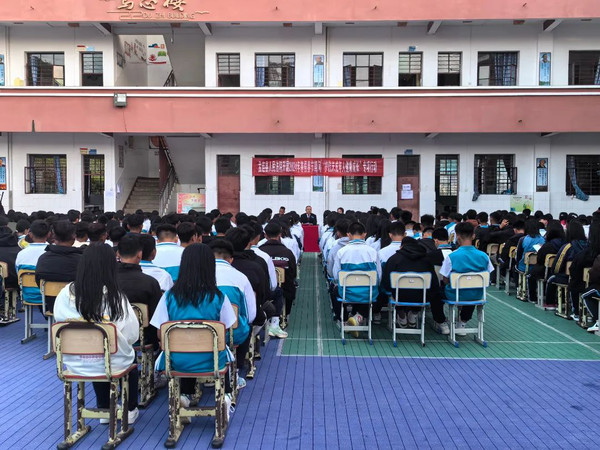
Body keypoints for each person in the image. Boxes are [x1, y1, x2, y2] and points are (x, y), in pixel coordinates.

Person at [53, 244, 140, 424]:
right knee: (125, 356)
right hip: (110, 363)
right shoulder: (116, 297)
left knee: (97, 352)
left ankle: (104, 407)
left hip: (74, 363)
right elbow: (132, 335)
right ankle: (130, 409)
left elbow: (59, 322)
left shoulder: (64, 294)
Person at [149, 244, 236, 411]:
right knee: (224, 353)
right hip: (212, 361)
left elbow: (160, 334)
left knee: (184, 351)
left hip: (176, 362)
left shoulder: (169, 297)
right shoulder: (219, 297)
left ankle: (185, 395)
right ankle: (225, 396)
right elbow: (225, 331)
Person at [209, 239, 255, 387]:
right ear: (231, 259)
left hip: (196, 334)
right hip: (230, 334)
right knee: (246, 325)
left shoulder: (195, 278)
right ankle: (236, 370)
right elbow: (251, 315)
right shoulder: (240, 278)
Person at [381, 236, 445, 333]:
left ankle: (401, 314)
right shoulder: (427, 260)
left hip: (399, 297)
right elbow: (434, 284)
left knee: (397, 291)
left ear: (401, 246)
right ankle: (414, 313)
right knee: (425, 292)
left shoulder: (394, 259)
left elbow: (386, 282)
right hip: (421, 297)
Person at [439, 222, 493, 335]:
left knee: (437, 292)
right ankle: (462, 322)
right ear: (473, 236)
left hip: (455, 294)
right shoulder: (484, 256)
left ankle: (442, 322)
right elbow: (488, 275)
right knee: (472, 289)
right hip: (477, 295)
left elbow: (445, 279)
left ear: (457, 237)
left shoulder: (451, 256)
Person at [332, 221, 381, 333]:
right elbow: (379, 276)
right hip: (368, 293)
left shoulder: (341, 252)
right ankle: (358, 316)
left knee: (334, 290)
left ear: (348, 234)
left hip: (347, 292)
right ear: (365, 234)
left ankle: (344, 320)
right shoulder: (373, 252)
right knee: (371, 290)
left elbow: (336, 276)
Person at [116, 234, 162, 349]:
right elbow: (155, 319)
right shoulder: (150, 283)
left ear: (118, 254)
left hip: (113, 340)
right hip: (143, 342)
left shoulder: (107, 281)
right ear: (140, 255)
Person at [35, 220, 83, 313]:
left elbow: (39, 282)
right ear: (74, 236)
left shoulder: (43, 259)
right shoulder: (82, 260)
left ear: (54, 237)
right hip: (77, 306)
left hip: (52, 306)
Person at [260, 221, 297, 319]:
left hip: (264, 292)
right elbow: (293, 273)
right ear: (280, 234)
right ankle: (286, 315)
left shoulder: (260, 252)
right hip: (285, 290)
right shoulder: (288, 252)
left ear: (265, 235)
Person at [15, 219, 51, 303]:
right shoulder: (52, 253)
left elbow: (18, 274)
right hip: (48, 294)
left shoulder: (21, 254)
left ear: (30, 235)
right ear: (49, 234)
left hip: (28, 295)